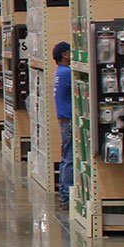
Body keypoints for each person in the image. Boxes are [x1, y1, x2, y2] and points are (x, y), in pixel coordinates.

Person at [53, 41, 74, 205]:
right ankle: (66, 195)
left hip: (64, 119)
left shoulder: (60, 72)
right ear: (65, 55)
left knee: (66, 157)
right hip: (69, 121)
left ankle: (64, 192)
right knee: (69, 158)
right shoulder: (67, 73)